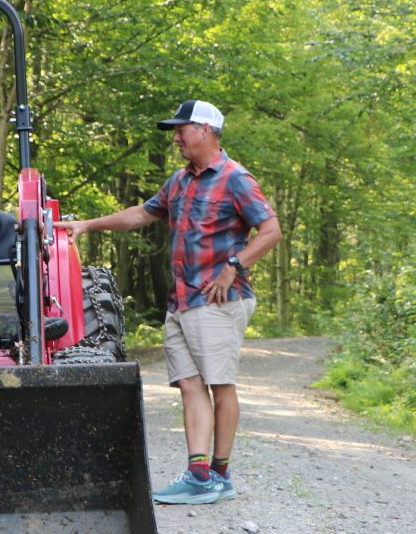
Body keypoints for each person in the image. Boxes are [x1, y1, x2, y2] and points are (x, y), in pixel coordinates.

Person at [55, 100, 282, 505]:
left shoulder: (235, 178)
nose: (175, 137)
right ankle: (198, 474)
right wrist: (88, 224)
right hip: (181, 302)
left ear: (207, 131)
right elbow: (142, 214)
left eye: (182, 129)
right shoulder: (180, 180)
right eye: (175, 130)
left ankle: (221, 475)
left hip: (218, 301)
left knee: (220, 383)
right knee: (190, 385)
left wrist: (234, 264)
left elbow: (271, 230)